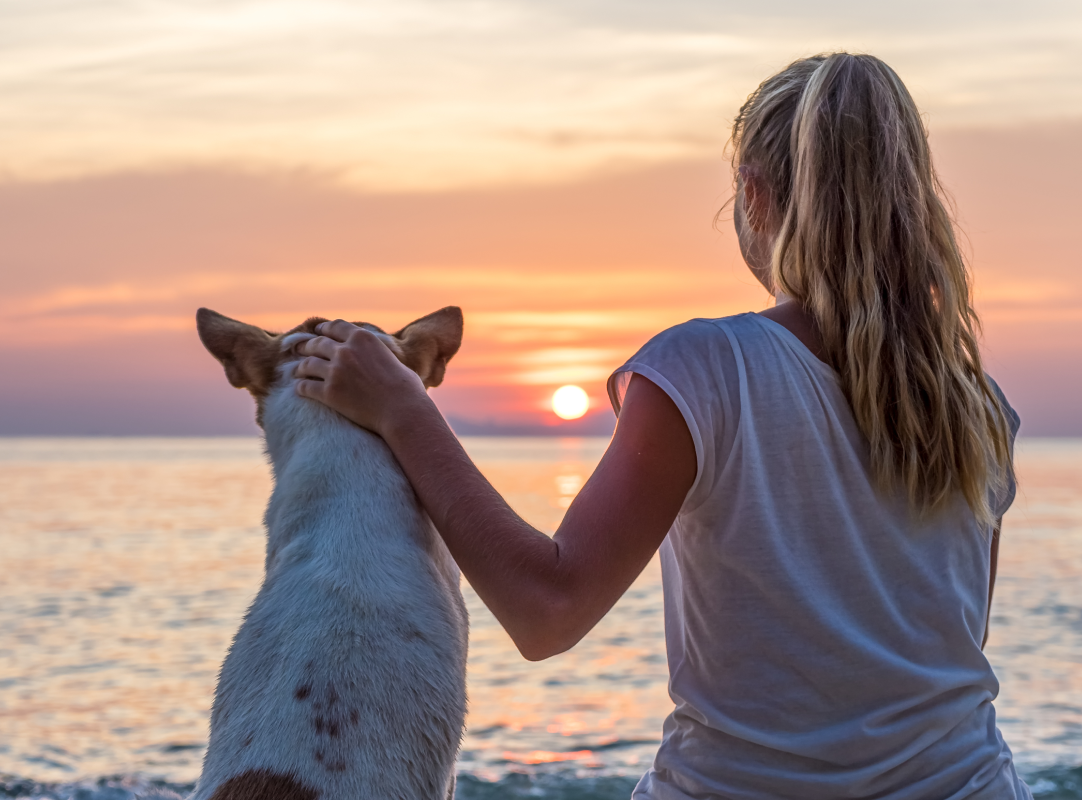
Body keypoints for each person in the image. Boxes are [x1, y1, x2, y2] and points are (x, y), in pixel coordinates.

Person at [290, 52, 1029, 800]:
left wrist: (403, 409)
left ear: (754, 196)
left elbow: (548, 610)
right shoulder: (976, 405)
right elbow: (930, 660)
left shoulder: (708, 368)